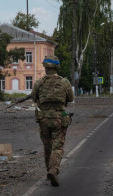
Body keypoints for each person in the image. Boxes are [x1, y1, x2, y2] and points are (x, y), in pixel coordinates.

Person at [31, 55, 74, 187]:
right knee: (57, 146)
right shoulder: (64, 82)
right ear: (56, 67)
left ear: (45, 67)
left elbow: (34, 98)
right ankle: (53, 170)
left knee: (47, 146)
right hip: (59, 119)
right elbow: (71, 98)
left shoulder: (39, 82)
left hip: (43, 119)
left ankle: (49, 171)